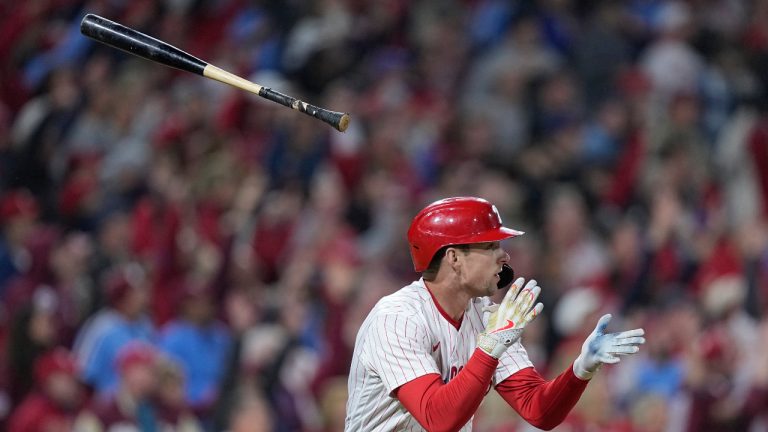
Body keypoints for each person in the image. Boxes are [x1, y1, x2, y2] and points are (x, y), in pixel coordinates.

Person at [345, 197, 646, 431]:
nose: (504, 255)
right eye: (489, 246)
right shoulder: (397, 318)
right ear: (454, 258)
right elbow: (437, 419)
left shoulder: (487, 318)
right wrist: (490, 347)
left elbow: (538, 410)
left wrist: (580, 369)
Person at [8, 347, 84, 432]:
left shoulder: (80, 408)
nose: (71, 385)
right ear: (47, 382)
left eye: (72, 378)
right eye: (64, 379)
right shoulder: (32, 414)